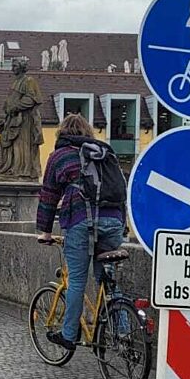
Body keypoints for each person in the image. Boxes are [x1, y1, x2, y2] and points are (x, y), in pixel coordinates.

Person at [36, 114, 126, 352]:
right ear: (87, 132)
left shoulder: (59, 156)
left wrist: (45, 231)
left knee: (76, 280)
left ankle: (68, 335)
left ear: (62, 133)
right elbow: (121, 190)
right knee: (108, 280)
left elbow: (48, 196)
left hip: (80, 222)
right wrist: (122, 224)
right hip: (113, 221)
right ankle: (125, 333)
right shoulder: (105, 153)